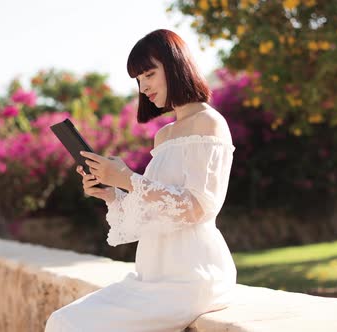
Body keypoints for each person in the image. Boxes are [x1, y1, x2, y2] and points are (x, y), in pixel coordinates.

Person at [45, 29, 236, 332]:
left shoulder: (209, 122)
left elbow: (198, 208)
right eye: (137, 79)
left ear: (176, 66)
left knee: (73, 325)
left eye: (149, 74)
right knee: (61, 320)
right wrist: (111, 191)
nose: (143, 86)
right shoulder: (164, 134)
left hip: (191, 275)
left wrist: (127, 178)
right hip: (150, 275)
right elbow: (154, 208)